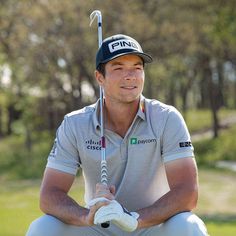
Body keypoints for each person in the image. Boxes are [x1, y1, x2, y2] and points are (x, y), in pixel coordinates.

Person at [26, 34, 208, 236]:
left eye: (137, 68)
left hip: (151, 224)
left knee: (189, 225)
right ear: (99, 77)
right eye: (118, 68)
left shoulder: (167, 118)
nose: (129, 76)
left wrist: (133, 219)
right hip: (98, 225)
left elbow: (187, 192)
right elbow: (50, 195)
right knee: (42, 228)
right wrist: (85, 216)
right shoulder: (74, 123)